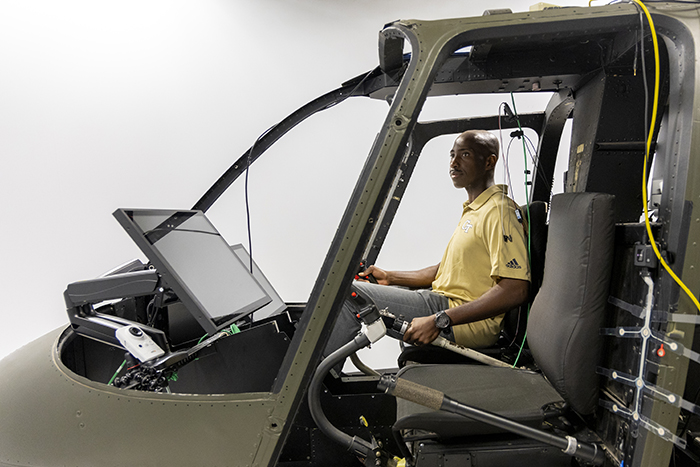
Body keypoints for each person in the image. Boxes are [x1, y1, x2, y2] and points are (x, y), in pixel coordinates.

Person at [323, 129, 531, 366]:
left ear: (489, 161)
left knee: (347, 296)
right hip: (442, 302)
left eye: (464, 155)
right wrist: (391, 277)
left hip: (460, 319)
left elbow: (515, 288)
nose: (453, 163)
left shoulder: (498, 211)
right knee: (351, 294)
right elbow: (448, 268)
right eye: (452, 155)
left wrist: (439, 319)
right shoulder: (476, 209)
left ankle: (310, 391)